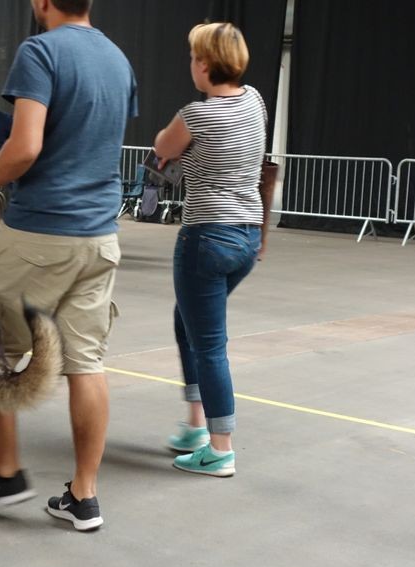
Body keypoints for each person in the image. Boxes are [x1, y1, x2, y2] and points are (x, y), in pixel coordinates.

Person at [0, 0, 137, 532]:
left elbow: (26, 145)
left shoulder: (39, 51)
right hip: (100, 238)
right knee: (85, 363)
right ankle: (84, 496)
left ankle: (9, 472)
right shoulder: (118, 59)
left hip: (41, 232)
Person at [152, 22, 267, 478]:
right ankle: (196, 425)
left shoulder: (198, 115)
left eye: (193, 57)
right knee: (189, 324)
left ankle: (220, 448)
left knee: (211, 345)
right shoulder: (254, 99)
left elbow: (163, 147)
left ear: (204, 64)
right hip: (246, 234)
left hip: (206, 236)